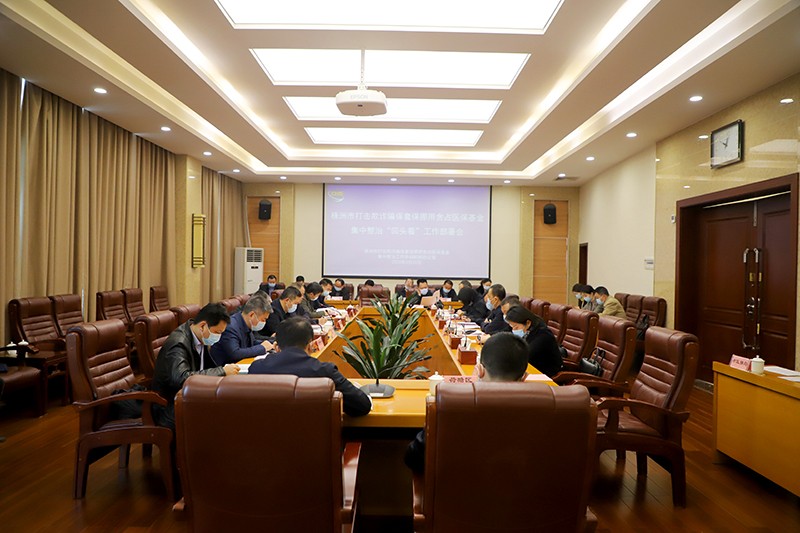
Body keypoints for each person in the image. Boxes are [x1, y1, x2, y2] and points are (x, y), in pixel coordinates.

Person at [403, 332, 529, 473]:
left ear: (479, 370)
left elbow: (413, 458)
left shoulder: (452, 404)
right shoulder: (541, 409)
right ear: (524, 377)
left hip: (456, 486)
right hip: (517, 486)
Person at [249, 317, 372, 417]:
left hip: (265, 439)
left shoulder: (257, 369)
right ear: (310, 345)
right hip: (314, 440)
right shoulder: (325, 372)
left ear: (276, 347)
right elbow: (362, 406)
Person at [152, 303, 239, 430]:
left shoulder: (199, 337)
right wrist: (222, 371)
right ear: (203, 326)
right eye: (217, 332)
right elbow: (181, 378)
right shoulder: (178, 343)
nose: (218, 337)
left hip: (190, 396)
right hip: (170, 405)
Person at [210, 295, 274, 365]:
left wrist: (271, 343)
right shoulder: (231, 327)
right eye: (263, 319)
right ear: (252, 315)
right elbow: (235, 353)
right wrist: (262, 348)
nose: (264, 322)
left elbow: (252, 343)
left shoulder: (246, 322)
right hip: (224, 368)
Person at [504, 305, 563, 378]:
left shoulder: (543, 334)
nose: (514, 330)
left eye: (516, 327)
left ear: (528, 323)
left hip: (546, 373)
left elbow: (526, 355)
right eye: (512, 327)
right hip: (531, 367)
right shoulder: (528, 331)